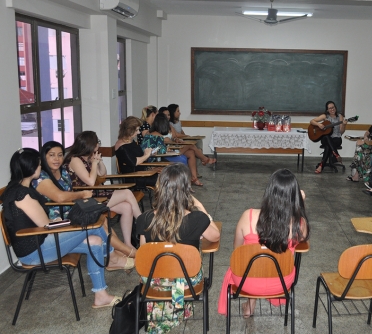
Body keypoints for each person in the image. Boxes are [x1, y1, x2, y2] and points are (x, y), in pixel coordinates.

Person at [2, 148, 125, 308]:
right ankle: (113, 256)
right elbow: (45, 225)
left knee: (94, 241)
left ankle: (101, 295)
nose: (40, 167)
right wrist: (59, 222)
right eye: (39, 164)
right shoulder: (23, 195)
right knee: (94, 225)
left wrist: (58, 220)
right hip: (34, 250)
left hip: (38, 243)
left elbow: (41, 222)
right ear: (31, 168)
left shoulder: (17, 189)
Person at [136, 163, 220, 333]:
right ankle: (179, 305)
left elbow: (144, 254)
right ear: (186, 189)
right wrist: (200, 207)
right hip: (187, 283)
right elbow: (215, 236)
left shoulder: (144, 218)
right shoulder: (197, 219)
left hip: (154, 283)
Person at [217, 168, 310, 317]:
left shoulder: (248, 216)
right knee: (263, 263)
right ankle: (251, 303)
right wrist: (300, 206)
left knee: (249, 260)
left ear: (269, 192)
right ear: (295, 196)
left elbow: (237, 250)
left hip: (244, 281)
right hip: (281, 281)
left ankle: (250, 304)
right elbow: (304, 238)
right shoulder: (299, 224)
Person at [33, 141, 135, 265]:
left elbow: (100, 176)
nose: (57, 159)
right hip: (56, 220)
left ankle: (118, 254)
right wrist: (82, 195)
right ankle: (128, 252)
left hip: (71, 212)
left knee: (102, 218)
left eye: (60, 155)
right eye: (52, 155)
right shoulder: (41, 177)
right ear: (44, 157)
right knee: (98, 223)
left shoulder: (63, 172)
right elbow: (59, 197)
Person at [64, 131, 141, 256]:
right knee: (127, 193)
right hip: (83, 199)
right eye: (97, 143)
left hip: (94, 194)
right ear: (89, 145)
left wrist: (98, 161)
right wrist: (94, 163)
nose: (98, 145)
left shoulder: (87, 158)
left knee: (127, 207)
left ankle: (128, 243)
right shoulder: (75, 160)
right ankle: (143, 222)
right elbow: (89, 181)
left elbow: (102, 174)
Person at [142, 114, 210, 187]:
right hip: (155, 160)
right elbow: (162, 151)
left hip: (152, 158)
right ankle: (185, 183)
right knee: (186, 152)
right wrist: (169, 148)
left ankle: (193, 178)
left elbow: (160, 148)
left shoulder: (148, 133)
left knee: (190, 151)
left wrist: (173, 142)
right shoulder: (158, 136)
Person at [115, 116, 160, 188]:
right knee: (165, 179)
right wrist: (146, 155)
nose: (139, 132)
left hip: (141, 174)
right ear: (130, 130)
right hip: (134, 177)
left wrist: (149, 153)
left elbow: (140, 156)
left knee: (166, 176)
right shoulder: (121, 146)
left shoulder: (131, 142)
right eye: (137, 130)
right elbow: (134, 162)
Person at [310, 101, 348, 173]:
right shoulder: (325, 116)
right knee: (327, 136)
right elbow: (312, 121)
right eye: (330, 108)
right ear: (327, 110)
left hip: (336, 138)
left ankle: (321, 165)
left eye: (333, 107)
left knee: (328, 146)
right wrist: (318, 124)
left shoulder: (340, 116)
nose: (332, 109)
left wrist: (344, 125)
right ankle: (336, 154)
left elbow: (341, 132)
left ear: (335, 107)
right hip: (325, 138)